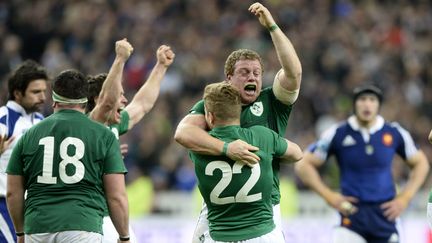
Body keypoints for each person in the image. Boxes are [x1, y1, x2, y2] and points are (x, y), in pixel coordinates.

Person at [174, 2, 302, 241]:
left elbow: (294, 74)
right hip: (220, 209)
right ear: (229, 77)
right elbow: (183, 133)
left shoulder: (271, 101)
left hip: (263, 207)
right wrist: (228, 148)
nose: (252, 76)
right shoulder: (213, 104)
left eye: (256, 72)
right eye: (244, 72)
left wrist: (272, 27)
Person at [6, 69, 130, 243]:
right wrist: (124, 236)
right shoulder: (104, 136)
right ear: (86, 101)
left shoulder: (29, 136)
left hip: (38, 228)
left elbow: (13, 193)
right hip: (83, 226)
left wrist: (20, 233)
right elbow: (116, 196)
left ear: (54, 100)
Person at [295, 84, 429, 243]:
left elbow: (421, 163)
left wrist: (405, 198)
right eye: (362, 99)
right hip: (351, 216)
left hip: (385, 217)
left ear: (379, 105)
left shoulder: (394, 133)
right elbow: (304, 164)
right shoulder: (338, 133)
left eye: (372, 100)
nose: (367, 104)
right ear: (354, 104)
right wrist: (329, 196)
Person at [190, 82, 303, 242]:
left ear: (210, 116)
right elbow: (297, 153)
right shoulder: (262, 136)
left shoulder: (198, 147)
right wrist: (268, 153)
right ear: (239, 112)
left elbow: (188, 136)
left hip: (220, 237)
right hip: (263, 236)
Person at [87, 43, 175, 243]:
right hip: (89, 217)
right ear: (100, 98)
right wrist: (120, 59)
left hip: (105, 216)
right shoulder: (88, 125)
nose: (125, 101)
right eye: (120, 95)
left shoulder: (112, 128)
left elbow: (142, 104)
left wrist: (160, 67)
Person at [0, 60, 48, 243]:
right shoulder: (4, 119)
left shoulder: (41, 120)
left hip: (34, 207)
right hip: (4, 206)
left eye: (44, 91)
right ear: (18, 93)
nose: (43, 97)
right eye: (36, 92)